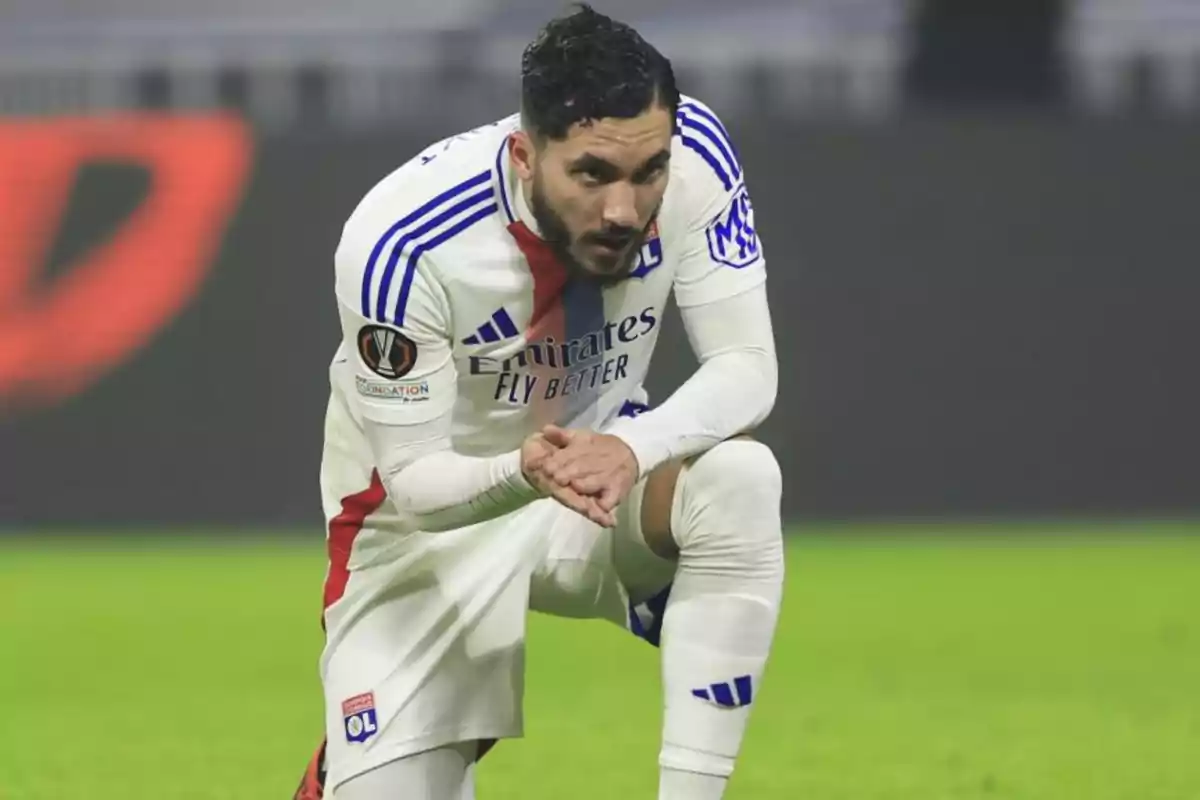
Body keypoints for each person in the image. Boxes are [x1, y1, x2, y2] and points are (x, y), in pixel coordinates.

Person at [294, 5, 784, 798]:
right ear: (526, 155)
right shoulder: (403, 242)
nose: (626, 209)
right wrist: (524, 471)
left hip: (596, 485)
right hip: (427, 529)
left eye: (647, 171)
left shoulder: (699, 156)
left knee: (739, 483)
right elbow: (415, 483)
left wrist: (633, 447)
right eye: (592, 174)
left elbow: (748, 367)